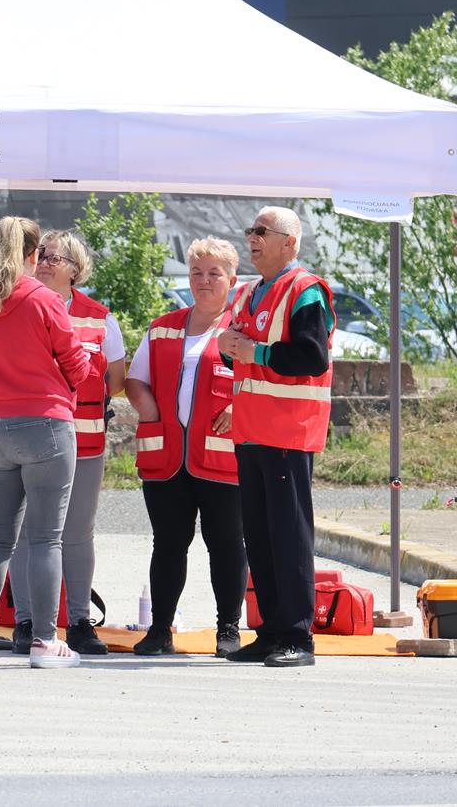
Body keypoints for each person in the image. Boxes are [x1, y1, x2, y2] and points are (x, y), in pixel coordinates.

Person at [0, 217, 93, 669]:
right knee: (46, 540)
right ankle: (44, 640)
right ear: (33, 255)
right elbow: (77, 364)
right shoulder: (42, 298)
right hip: (44, 424)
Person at [216, 206, 334, 669]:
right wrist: (228, 349)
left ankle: (298, 636)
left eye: (262, 231)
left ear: (290, 242)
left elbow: (312, 357)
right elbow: (239, 351)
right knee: (261, 537)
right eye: (251, 230)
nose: (253, 237)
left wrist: (253, 352)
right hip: (251, 431)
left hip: (288, 431)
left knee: (288, 536)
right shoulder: (249, 292)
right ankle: (269, 632)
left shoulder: (305, 290)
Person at [125, 236, 248, 657]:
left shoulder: (243, 330)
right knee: (168, 544)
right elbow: (135, 379)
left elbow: (264, 379)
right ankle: (160, 629)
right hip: (166, 457)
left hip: (220, 456)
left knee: (226, 544)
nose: (204, 280)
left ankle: (228, 629)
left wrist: (238, 407)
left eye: (214, 273)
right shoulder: (163, 326)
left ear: (232, 280)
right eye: (197, 272)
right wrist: (148, 409)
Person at [8, 229, 126, 656]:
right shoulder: (17, 305)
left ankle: (78, 622)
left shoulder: (100, 318)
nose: (43, 262)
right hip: (30, 438)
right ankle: (25, 623)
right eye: (40, 255)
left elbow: (116, 380)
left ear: (75, 269)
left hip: (84, 441)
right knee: (26, 532)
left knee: (77, 534)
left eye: (53, 258)